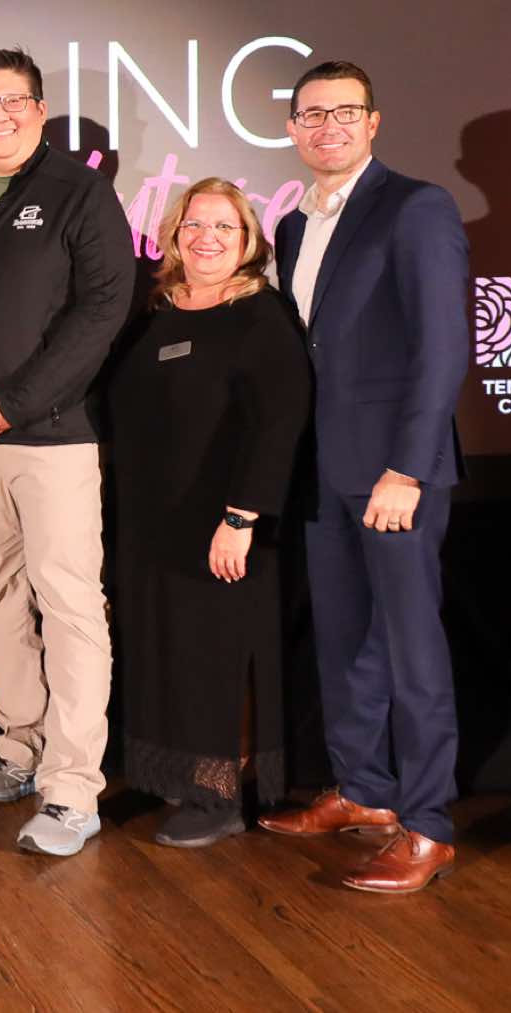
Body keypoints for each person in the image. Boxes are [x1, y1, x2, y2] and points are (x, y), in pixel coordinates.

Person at [258, 61, 469, 894]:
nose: (328, 126)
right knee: (345, 641)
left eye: (344, 112)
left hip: (394, 473)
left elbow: (442, 347)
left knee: (412, 649)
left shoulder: (417, 207)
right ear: (292, 129)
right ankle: (364, 790)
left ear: (373, 122)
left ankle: (429, 825)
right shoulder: (292, 225)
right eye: (312, 114)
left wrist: (407, 467)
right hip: (322, 469)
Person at [0, 47, 132, 858]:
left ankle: (73, 789)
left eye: (13, 101)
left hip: (53, 437)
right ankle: (21, 748)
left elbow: (103, 309)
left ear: (41, 111)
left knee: (70, 603)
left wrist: (16, 402)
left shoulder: (81, 192)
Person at [105, 179, 311, 847]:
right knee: (167, 651)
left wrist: (242, 517)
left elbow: (278, 423)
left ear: (248, 240)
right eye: (195, 224)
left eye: (225, 227)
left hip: (225, 523)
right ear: (173, 234)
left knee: (217, 656)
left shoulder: (260, 314)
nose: (207, 238)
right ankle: (177, 777)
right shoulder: (157, 310)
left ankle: (220, 796)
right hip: (153, 523)